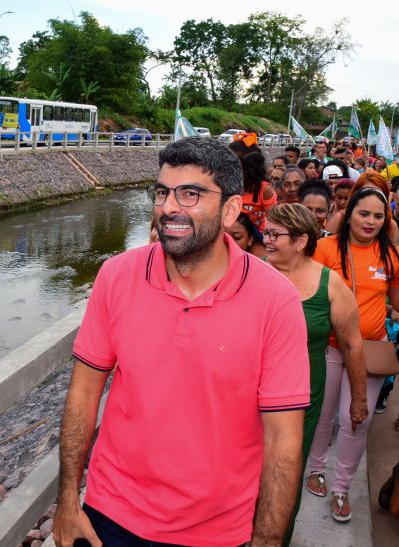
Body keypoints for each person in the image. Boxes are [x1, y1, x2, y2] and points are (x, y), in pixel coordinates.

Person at [53, 137, 309, 547]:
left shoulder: (275, 302)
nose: (169, 207)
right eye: (162, 192)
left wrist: (267, 539)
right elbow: (84, 392)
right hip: (110, 515)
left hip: (219, 531)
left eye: (190, 194)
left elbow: (283, 440)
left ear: (230, 210)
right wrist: (67, 499)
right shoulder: (116, 276)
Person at [263, 203, 367, 544]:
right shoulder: (253, 275)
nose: (266, 240)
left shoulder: (330, 284)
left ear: (300, 240)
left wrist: (358, 401)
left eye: (274, 234)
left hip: (303, 398)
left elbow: (352, 345)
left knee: (285, 478)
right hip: (251, 391)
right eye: (266, 232)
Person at [308, 186, 399, 522]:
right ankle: (316, 469)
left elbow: (397, 303)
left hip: (369, 352)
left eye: (378, 216)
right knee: (324, 413)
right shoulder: (324, 249)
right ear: (349, 216)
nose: (371, 221)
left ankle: (342, 487)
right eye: (364, 213)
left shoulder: (390, 256)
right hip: (329, 347)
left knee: (357, 420)